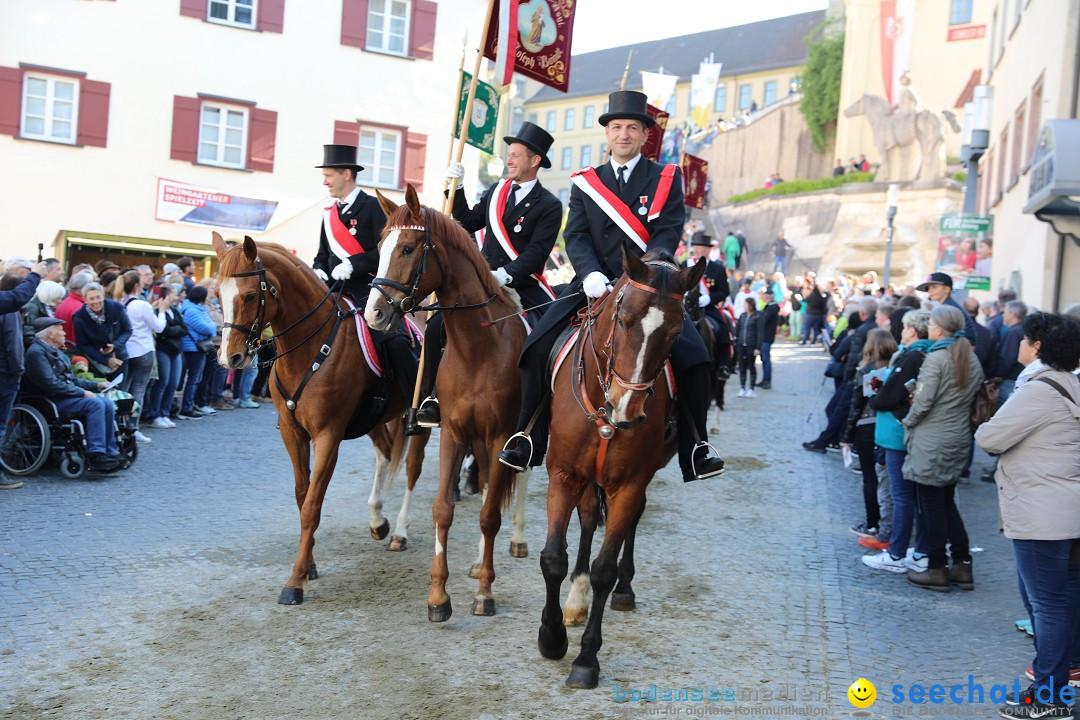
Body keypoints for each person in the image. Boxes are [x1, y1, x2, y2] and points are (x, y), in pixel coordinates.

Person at [496, 90, 725, 482]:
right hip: (594, 281)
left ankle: (695, 446)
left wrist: (649, 269)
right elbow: (577, 235)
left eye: (631, 128)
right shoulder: (587, 182)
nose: (623, 134)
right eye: (616, 127)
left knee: (697, 359)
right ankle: (528, 435)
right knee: (535, 348)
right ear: (607, 134)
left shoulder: (666, 177)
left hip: (649, 283)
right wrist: (587, 272)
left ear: (643, 135)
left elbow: (668, 230)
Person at [415, 121, 561, 430]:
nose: (508, 160)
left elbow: (537, 252)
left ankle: (536, 413)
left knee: (547, 335)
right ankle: (432, 398)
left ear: (534, 161)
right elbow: (466, 221)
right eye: (509, 154)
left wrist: (507, 273)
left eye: (515, 155)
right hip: (482, 282)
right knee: (435, 327)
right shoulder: (497, 191)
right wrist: (455, 189)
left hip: (521, 282)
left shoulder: (550, 205)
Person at [975, 312, 1080, 718]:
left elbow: (990, 437)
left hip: (1042, 513)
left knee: (1046, 606)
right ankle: (1057, 689)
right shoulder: (1072, 384)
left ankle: (1049, 697)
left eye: (1023, 338)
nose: (1016, 345)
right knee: (1063, 601)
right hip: (1066, 511)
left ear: (1039, 345)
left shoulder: (1039, 390)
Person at [312, 143, 418, 429]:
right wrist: (318, 270)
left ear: (346, 174)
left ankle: (413, 405)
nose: (325, 181)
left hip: (368, 289)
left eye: (329, 175)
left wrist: (354, 264)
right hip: (333, 289)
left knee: (393, 340)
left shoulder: (371, 207)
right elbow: (322, 254)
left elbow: (385, 251)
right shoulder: (328, 213)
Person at [903, 305, 984, 592]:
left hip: (933, 439)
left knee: (932, 505)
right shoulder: (969, 357)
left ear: (938, 328)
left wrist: (908, 422)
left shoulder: (937, 358)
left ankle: (937, 566)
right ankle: (962, 564)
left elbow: (923, 402)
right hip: (958, 436)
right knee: (946, 502)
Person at [862, 309, 933, 572]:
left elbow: (890, 395)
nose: (901, 331)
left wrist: (876, 396)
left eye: (904, 327)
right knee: (912, 497)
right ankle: (918, 551)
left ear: (912, 330)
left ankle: (897, 552)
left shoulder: (912, 355)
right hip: (902, 432)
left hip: (896, 433)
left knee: (902, 495)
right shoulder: (923, 354)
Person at [23, 317, 124, 472]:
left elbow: (72, 379)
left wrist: (96, 385)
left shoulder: (54, 351)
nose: (64, 333)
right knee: (95, 403)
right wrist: (82, 393)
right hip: (51, 401)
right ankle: (96, 454)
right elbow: (50, 384)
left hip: (65, 396)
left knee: (106, 402)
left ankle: (110, 450)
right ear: (50, 333)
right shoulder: (36, 353)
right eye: (60, 329)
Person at [843, 328, 898, 541]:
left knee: (870, 477)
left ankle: (874, 523)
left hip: (868, 425)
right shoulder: (897, 368)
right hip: (893, 425)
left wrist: (846, 435)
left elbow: (856, 405)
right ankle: (889, 522)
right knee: (890, 477)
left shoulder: (868, 371)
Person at [117, 270, 166, 443]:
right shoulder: (141, 304)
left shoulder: (121, 302)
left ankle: (119, 425)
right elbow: (159, 327)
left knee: (124, 390)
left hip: (126, 351)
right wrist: (162, 311)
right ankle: (132, 427)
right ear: (137, 285)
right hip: (143, 350)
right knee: (138, 390)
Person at [72, 282, 130, 382]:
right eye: (91, 298)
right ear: (85, 300)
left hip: (119, 358)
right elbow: (82, 344)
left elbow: (127, 330)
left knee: (120, 392)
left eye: (98, 297)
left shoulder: (117, 308)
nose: (96, 301)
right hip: (95, 362)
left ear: (103, 296)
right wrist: (106, 360)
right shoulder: (79, 317)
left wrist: (114, 345)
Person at [146, 284, 186, 428]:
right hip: (163, 350)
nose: (176, 298)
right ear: (166, 296)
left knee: (173, 384)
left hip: (175, 350)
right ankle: (155, 414)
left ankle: (165, 412)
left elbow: (184, 329)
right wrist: (175, 330)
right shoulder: (156, 311)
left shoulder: (174, 311)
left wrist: (172, 330)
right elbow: (163, 331)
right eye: (174, 295)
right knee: (162, 383)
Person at [178, 285, 216, 420]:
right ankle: (186, 408)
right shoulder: (191, 311)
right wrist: (212, 329)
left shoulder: (197, 309)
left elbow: (210, 325)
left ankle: (190, 404)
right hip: (192, 348)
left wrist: (211, 328)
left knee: (196, 378)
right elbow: (206, 327)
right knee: (193, 379)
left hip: (197, 347)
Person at [915, 272, 979, 349]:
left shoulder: (948, 308)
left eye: (934, 287)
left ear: (947, 289)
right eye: (928, 288)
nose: (930, 291)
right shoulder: (947, 305)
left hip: (959, 349)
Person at [21, 280, 65, 346]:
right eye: (58, 298)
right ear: (50, 297)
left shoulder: (47, 308)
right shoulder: (33, 308)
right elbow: (28, 334)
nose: (61, 302)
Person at [55, 271, 93, 343]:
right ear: (82, 289)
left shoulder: (66, 301)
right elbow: (79, 337)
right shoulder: (79, 307)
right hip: (73, 349)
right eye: (90, 286)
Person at [734, 297, 760, 398]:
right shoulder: (742, 316)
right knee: (742, 367)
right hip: (741, 345)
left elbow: (760, 332)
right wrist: (736, 342)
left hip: (752, 345)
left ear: (750, 305)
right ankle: (742, 388)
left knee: (751, 366)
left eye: (745, 304)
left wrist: (758, 347)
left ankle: (752, 388)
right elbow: (737, 330)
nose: (744, 306)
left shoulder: (758, 316)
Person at [757, 288, 780, 389]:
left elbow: (764, 320)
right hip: (765, 336)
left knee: (766, 359)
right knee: (764, 359)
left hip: (766, 337)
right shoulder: (770, 307)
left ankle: (767, 381)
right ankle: (765, 380)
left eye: (765, 295)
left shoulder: (772, 307)